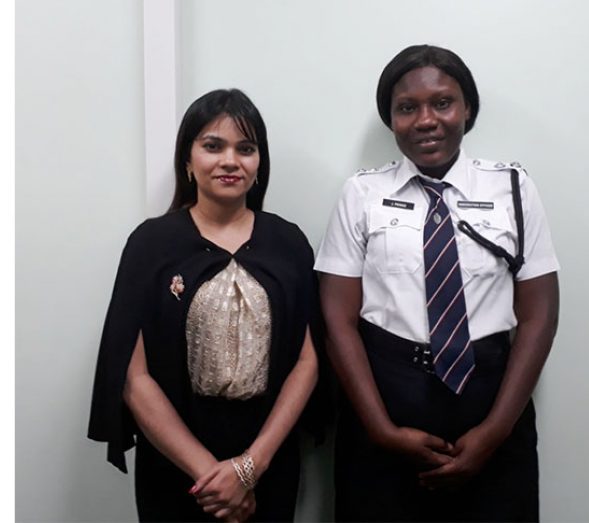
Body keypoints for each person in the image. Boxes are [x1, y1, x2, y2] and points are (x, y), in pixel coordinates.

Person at [315, 44, 560, 522]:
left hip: (491, 402)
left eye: (442, 103)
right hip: (384, 401)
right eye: (407, 108)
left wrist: (495, 431)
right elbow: (336, 319)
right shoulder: (362, 193)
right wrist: (382, 430)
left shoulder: (512, 187)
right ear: (391, 119)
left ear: (467, 108)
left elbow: (539, 314)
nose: (426, 120)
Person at [88, 89, 321, 522]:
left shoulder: (288, 242)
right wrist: (212, 476)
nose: (230, 161)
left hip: (268, 456)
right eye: (213, 146)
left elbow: (308, 360)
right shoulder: (151, 244)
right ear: (187, 160)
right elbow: (132, 375)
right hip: (176, 465)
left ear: (259, 164)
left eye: (245, 149)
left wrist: (249, 468)